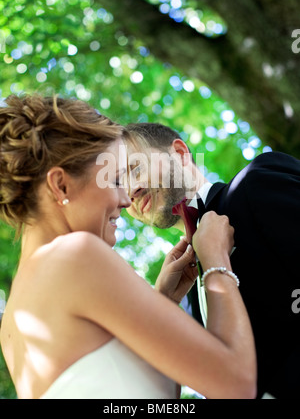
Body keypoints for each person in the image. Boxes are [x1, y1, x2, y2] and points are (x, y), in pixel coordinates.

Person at [0, 94, 256, 400]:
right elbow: (237, 384)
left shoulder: (13, 324)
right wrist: (215, 263)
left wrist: (163, 301)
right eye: (114, 180)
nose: (125, 199)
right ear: (61, 186)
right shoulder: (74, 254)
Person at [126, 121, 300, 399]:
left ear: (180, 153)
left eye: (135, 169)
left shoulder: (255, 183)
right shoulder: (190, 294)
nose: (130, 192)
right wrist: (163, 306)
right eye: (118, 186)